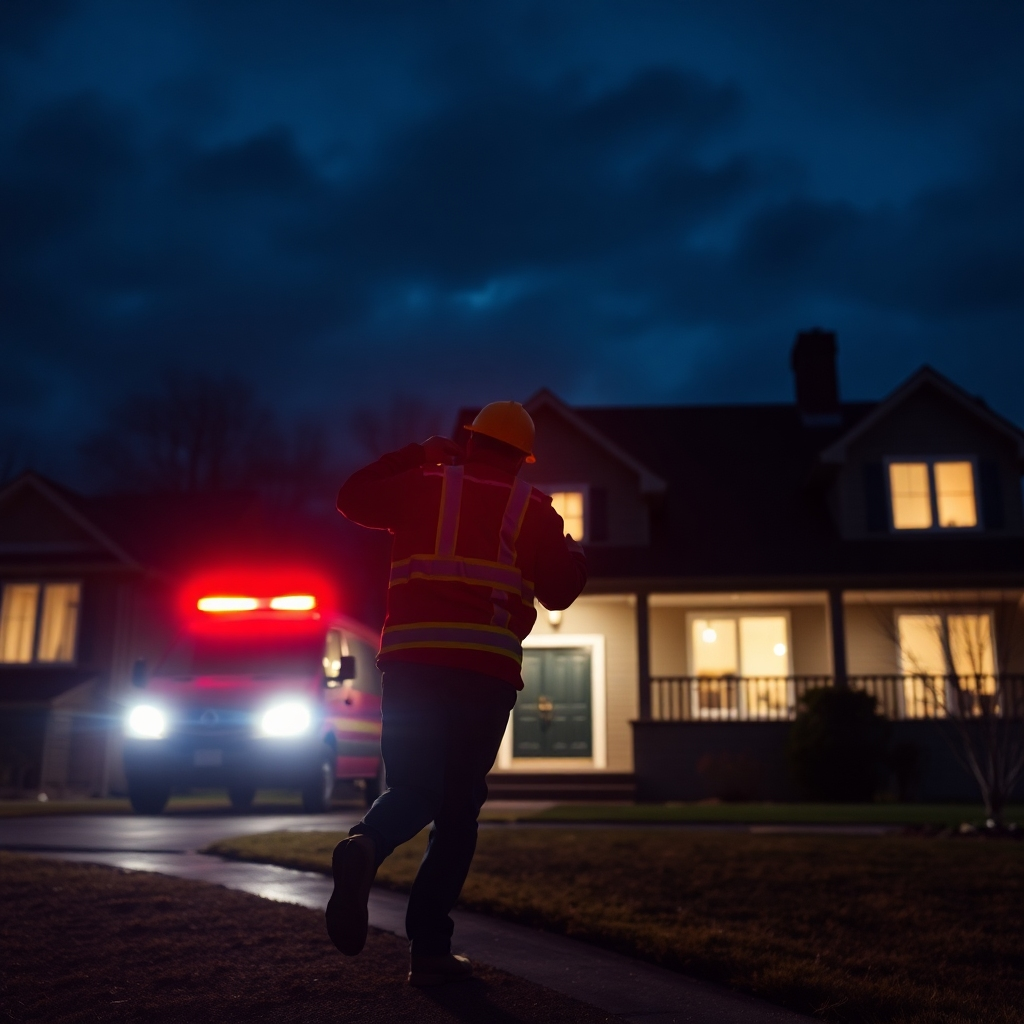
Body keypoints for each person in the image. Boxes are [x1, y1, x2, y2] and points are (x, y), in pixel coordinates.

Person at [327, 400, 588, 986]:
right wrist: (574, 555)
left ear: (467, 442)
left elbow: (350, 495)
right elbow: (561, 594)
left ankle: (367, 844)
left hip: (414, 664)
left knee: (414, 786)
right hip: (484, 674)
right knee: (458, 808)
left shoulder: (421, 487)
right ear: (522, 460)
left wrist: (417, 453)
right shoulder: (534, 510)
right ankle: (431, 952)